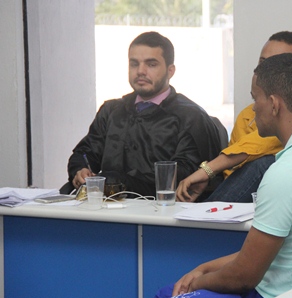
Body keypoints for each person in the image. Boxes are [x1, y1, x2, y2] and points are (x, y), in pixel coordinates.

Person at [107, 53, 292, 298]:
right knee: (166, 295)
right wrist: (205, 268)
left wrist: (198, 281)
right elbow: (268, 253)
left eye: (256, 98)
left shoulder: (287, 173)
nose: (253, 109)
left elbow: (244, 276)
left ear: (275, 104)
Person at [176, 31, 292, 203]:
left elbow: (264, 145)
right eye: (263, 63)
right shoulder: (247, 115)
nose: (266, 71)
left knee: (266, 163)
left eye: (277, 64)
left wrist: (209, 169)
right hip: (246, 203)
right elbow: (235, 177)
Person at [65, 31, 222, 197]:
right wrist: (81, 170)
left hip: (162, 211)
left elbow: (184, 175)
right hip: (106, 208)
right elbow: (85, 153)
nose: (140, 71)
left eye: (151, 64)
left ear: (170, 71)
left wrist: (120, 182)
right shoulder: (112, 111)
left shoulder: (191, 117)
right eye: (134, 64)